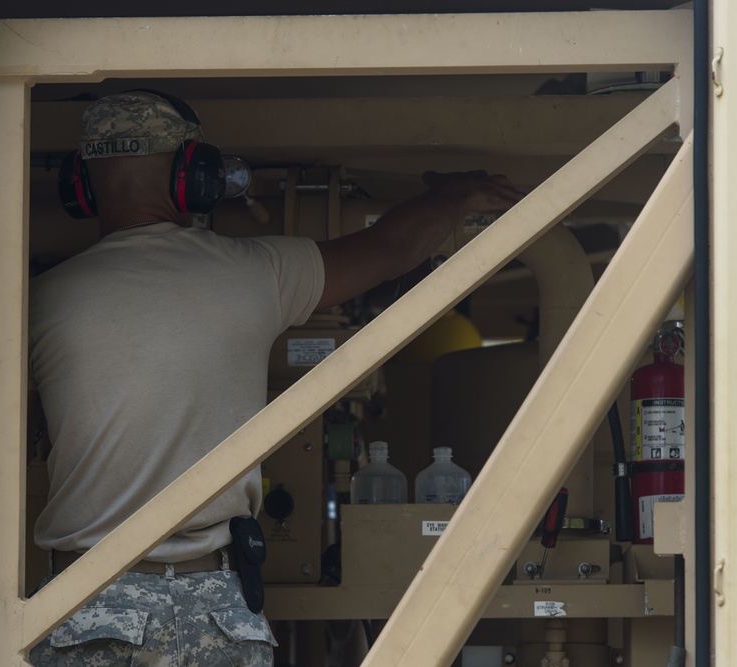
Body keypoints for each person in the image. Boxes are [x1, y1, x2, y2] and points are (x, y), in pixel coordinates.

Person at [26, 90, 521, 666]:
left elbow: (27, 435)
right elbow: (390, 248)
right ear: (196, 175)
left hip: (85, 608)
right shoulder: (256, 274)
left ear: (80, 186)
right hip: (214, 608)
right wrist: (453, 196)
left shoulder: (35, 302)